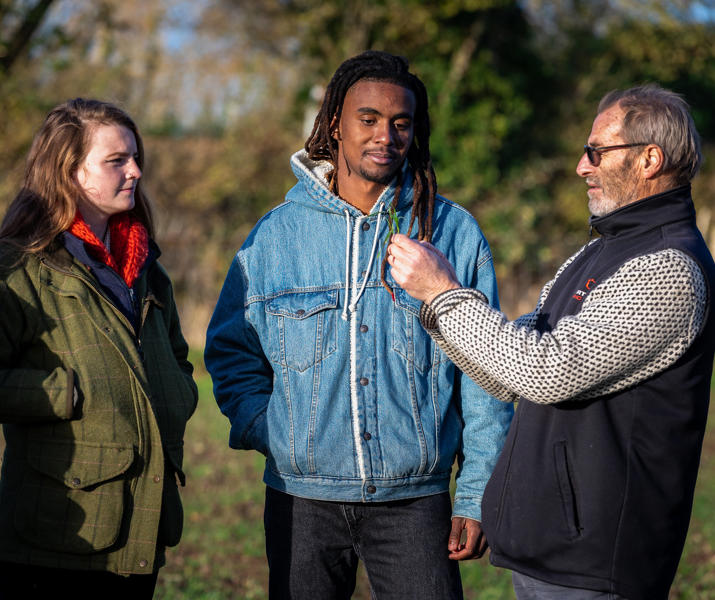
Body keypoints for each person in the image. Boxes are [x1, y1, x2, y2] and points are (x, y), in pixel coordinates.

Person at [204, 50, 513, 599]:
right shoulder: (274, 238)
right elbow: (232, 353)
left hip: (415, 503)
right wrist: (276, 432)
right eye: (368, 118)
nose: (385, 135)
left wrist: (474, 494)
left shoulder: (453, 233)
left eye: (401, 123)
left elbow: (485, 373)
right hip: (301, 503)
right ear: (334, 126)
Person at [388, 83, 715, 600]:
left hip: (597, 563)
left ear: (650, 158)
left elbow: (547, 371)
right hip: (555, 552)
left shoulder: (667, 267)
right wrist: (437, 308)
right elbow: (507, 369)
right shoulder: (601, 252)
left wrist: (444, 292)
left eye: (597, 151)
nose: (582, 167)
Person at [0, 98, 198, 599]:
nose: (134, 171)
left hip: (141, 525)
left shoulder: (146, 266)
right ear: (69, 171)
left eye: (135, 158)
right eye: (116, 161)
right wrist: (63, 393)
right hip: (56, 532)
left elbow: (176, 357)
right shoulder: (17, 268)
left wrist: (175, 392)